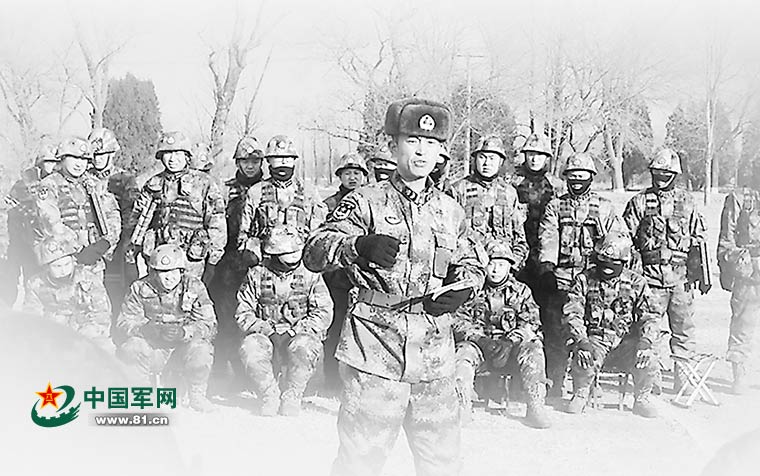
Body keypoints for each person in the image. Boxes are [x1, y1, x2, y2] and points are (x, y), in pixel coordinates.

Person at [304, 98, 485, 476]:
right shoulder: (365, 201)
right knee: (360, 462)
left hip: (434, 356)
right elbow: (314, 251)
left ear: (441, 151)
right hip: (375, 350)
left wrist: (463, 289)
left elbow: (472, 265)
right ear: (393, 145)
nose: (421, 151)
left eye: (431, 143)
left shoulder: (451, 211)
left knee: (443, 464)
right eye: (412, 141)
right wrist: (357, 246)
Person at [623, 148, 710, 391]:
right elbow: (625, 239)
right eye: (657, 173)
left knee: (684, 331)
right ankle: (650, 381)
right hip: (649, 281)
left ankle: (684, 379)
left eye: (666, 174)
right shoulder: (639, 202)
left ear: (675, 175)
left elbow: (699, 238)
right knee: (648, 331)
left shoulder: (687, 201)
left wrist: (700, 273)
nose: (661, 178)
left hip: (681, 281)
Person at [537, 152, 622, 397]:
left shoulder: (604, 207)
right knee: (556, 333)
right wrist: (547, 267)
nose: (577, 180)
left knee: (591, 333)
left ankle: (588, 383)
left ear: (591, 177)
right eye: (572, 175)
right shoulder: (555, 206)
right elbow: (548, 236)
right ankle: (555, 381)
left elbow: (617, 240)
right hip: (562, 279)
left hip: (592, 282)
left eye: (582, 175)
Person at [236, 225, 333, 416]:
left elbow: (323, 312)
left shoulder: (311, 274)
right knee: (250, 347)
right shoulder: (256, 274)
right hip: (265, 334)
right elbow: (243, 313)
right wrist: (267, 331)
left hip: (299, 334)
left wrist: (295, 331)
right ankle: (269, 394)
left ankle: (292, 395)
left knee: (305, 346)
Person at [454, 241, 551, 429]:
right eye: (491, 264)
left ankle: (536, 406)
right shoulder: (471, 289)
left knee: (534, 348)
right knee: (462, 353)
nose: (495, 270)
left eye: (501, 265)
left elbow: (531, 323)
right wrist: (480, 340)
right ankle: (461, 407)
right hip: (480, 349)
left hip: (511, 350)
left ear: (509, 267)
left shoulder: (522, 291)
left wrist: (510, 341)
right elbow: (458, 320)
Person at [562, 232, 660, 417]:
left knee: (649, 356)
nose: (607, 266)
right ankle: (581, 393)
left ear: (624, 261)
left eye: (614, 262)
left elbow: (651, 315)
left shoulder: (636, 282)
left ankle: (642, 399)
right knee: (583, 355)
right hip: (595, 340)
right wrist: (581, 341)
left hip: (625, 342)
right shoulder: (583, 280)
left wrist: (646, 341)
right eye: (603, 260)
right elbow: (572, 313)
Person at [116, 243, 217, 412]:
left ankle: (197, 396)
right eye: (163, 272)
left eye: (173, 271)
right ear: (154, 272)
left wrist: (184, 332)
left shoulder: (194, 286)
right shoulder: (139, 288)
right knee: (132, 346)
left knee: (202, 347)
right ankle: (141, 395)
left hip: (182, 349)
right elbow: (124, 321)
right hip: (154, 350)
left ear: (181, 271)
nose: (169, 277)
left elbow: (209, 324)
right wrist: (144, 329)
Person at [207, 136, 265, 394]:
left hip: (259, 261)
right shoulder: (224, 189)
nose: (250, 166)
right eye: (245, 161)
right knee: (226, 316)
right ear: (237, 163)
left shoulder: (268, 189)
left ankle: (256, 375)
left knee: (256, 317)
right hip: (228, 262)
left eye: (255, 160)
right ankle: (222, 371)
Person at [128, 131, 226, 282]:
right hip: (159, 257)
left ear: (187, 156)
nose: (172, 159)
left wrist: (213, 260)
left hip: (191, 260)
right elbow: (136, 220)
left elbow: (217, 224)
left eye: (177, 153)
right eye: (167, 154)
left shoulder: (204, 183)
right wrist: (132, 250)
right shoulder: (153, 184)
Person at [35, 136, 122, 278]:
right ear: (62, 158)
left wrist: (105, 243)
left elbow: (112, 214)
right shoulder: (49, 185)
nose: (79, 163)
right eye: (74, 158)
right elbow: (50, 222)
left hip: (95, 262)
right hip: (63, 261)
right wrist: (77, 248)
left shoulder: (95, 184)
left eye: (83, 159)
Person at [237, 135, 327, 267]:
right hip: (265, 263)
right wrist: (250, 253)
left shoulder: (309, 191)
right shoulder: (256, 191)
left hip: (301, 263)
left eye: (288, 159)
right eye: (277, 159)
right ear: (269, 161)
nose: (283, 163)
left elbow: (319, 231)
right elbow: (244, 232)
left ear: (294, 161)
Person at [321, 152, 368, 393]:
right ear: (340, 176)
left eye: (357, 173)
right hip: (337, 276)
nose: (352, 178)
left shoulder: (372, 202)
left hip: (364, 277)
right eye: (347, 173)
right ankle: (331, 380)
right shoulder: (328, 205)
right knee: (336, 326)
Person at [24, 232, 114, 353]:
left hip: (86, 334)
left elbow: (102, 314)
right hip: (53, 335)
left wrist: (85, 334)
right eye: (57, 266)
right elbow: (32, 318)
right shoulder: (36, 284)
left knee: (105, 348)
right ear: (47, 267)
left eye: (67, 264)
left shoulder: (88, 279)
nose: (63, 270)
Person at [450, 135, 529, 273]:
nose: (487, 163)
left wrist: (511, 265)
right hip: (468, 267)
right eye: (482, 157)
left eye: (492, 158)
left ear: (500, 161)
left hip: (502, 270)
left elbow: (520, 239)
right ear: (475, 159)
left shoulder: (509, 193)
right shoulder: (458, 190)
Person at [87, 127, 140, 321]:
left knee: (121, 290)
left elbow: (132, 215)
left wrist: (125, 245)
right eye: (94, 155)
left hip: (119, 245)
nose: (97, 159)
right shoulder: (84, 178)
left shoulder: (124, 179)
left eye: (102, 155)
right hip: (91, 243)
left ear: (112, 154)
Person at [717, 161, 760, 394]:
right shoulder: (739, 198)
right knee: (743, 323)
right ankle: (739, 374)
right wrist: (734, 264)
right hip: (749, 272)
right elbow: (726, 238)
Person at [3, 142, 59, 305]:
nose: (53, 166)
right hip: (28, 244)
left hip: (55, 245)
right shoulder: (24, 184)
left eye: (56, 162)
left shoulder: (60, 184)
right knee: (32, 283)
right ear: (40, 163)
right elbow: (10, 211)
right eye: (49, 162)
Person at [511, 133, 565, 300]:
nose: (534, 159)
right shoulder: (512, 183)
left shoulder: (556, 185)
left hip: (547, 245)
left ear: (546, 157)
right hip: (520, 244)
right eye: (531, 154)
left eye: (539, 155)